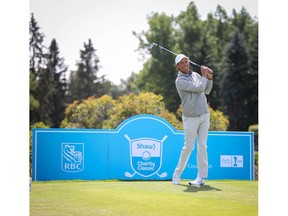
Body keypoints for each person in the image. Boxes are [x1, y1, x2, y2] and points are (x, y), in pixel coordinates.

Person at [172, 54, 213, 186]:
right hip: (190, 117)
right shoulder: (180, 81)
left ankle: (201, 177)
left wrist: (209, 78)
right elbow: (199, 88)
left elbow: (206, 90)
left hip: (204, 114)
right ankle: (177, 174)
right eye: (182, 62)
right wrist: (204, 76)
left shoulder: (195, 75)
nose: (185, 64)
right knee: (188, 147)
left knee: (202, 146)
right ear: (177, 66)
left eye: (187, 61)